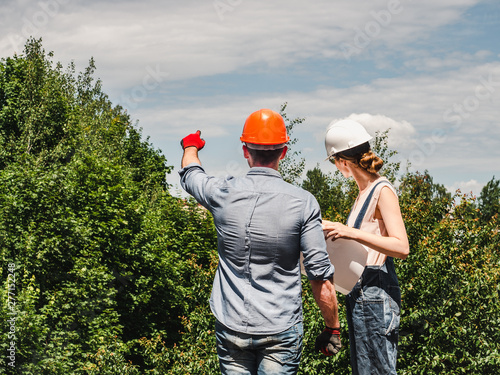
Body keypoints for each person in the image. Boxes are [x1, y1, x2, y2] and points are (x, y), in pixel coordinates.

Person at [179, 109, 341, 374]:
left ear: (245, 150)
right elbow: (319, 275)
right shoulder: (303, 202)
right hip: (280, 326)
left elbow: (190, 172)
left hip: (231, 324)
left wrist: (191, 145)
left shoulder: (222, 192)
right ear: (284, 152)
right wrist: (331, 327)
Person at [321, 119, 410, 375]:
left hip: (376, 291)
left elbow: (401, 246)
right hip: (361, 292)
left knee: (378, 371)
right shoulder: (363, 193)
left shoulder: (382, 190)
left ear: (342, 161)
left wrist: (351, 232)